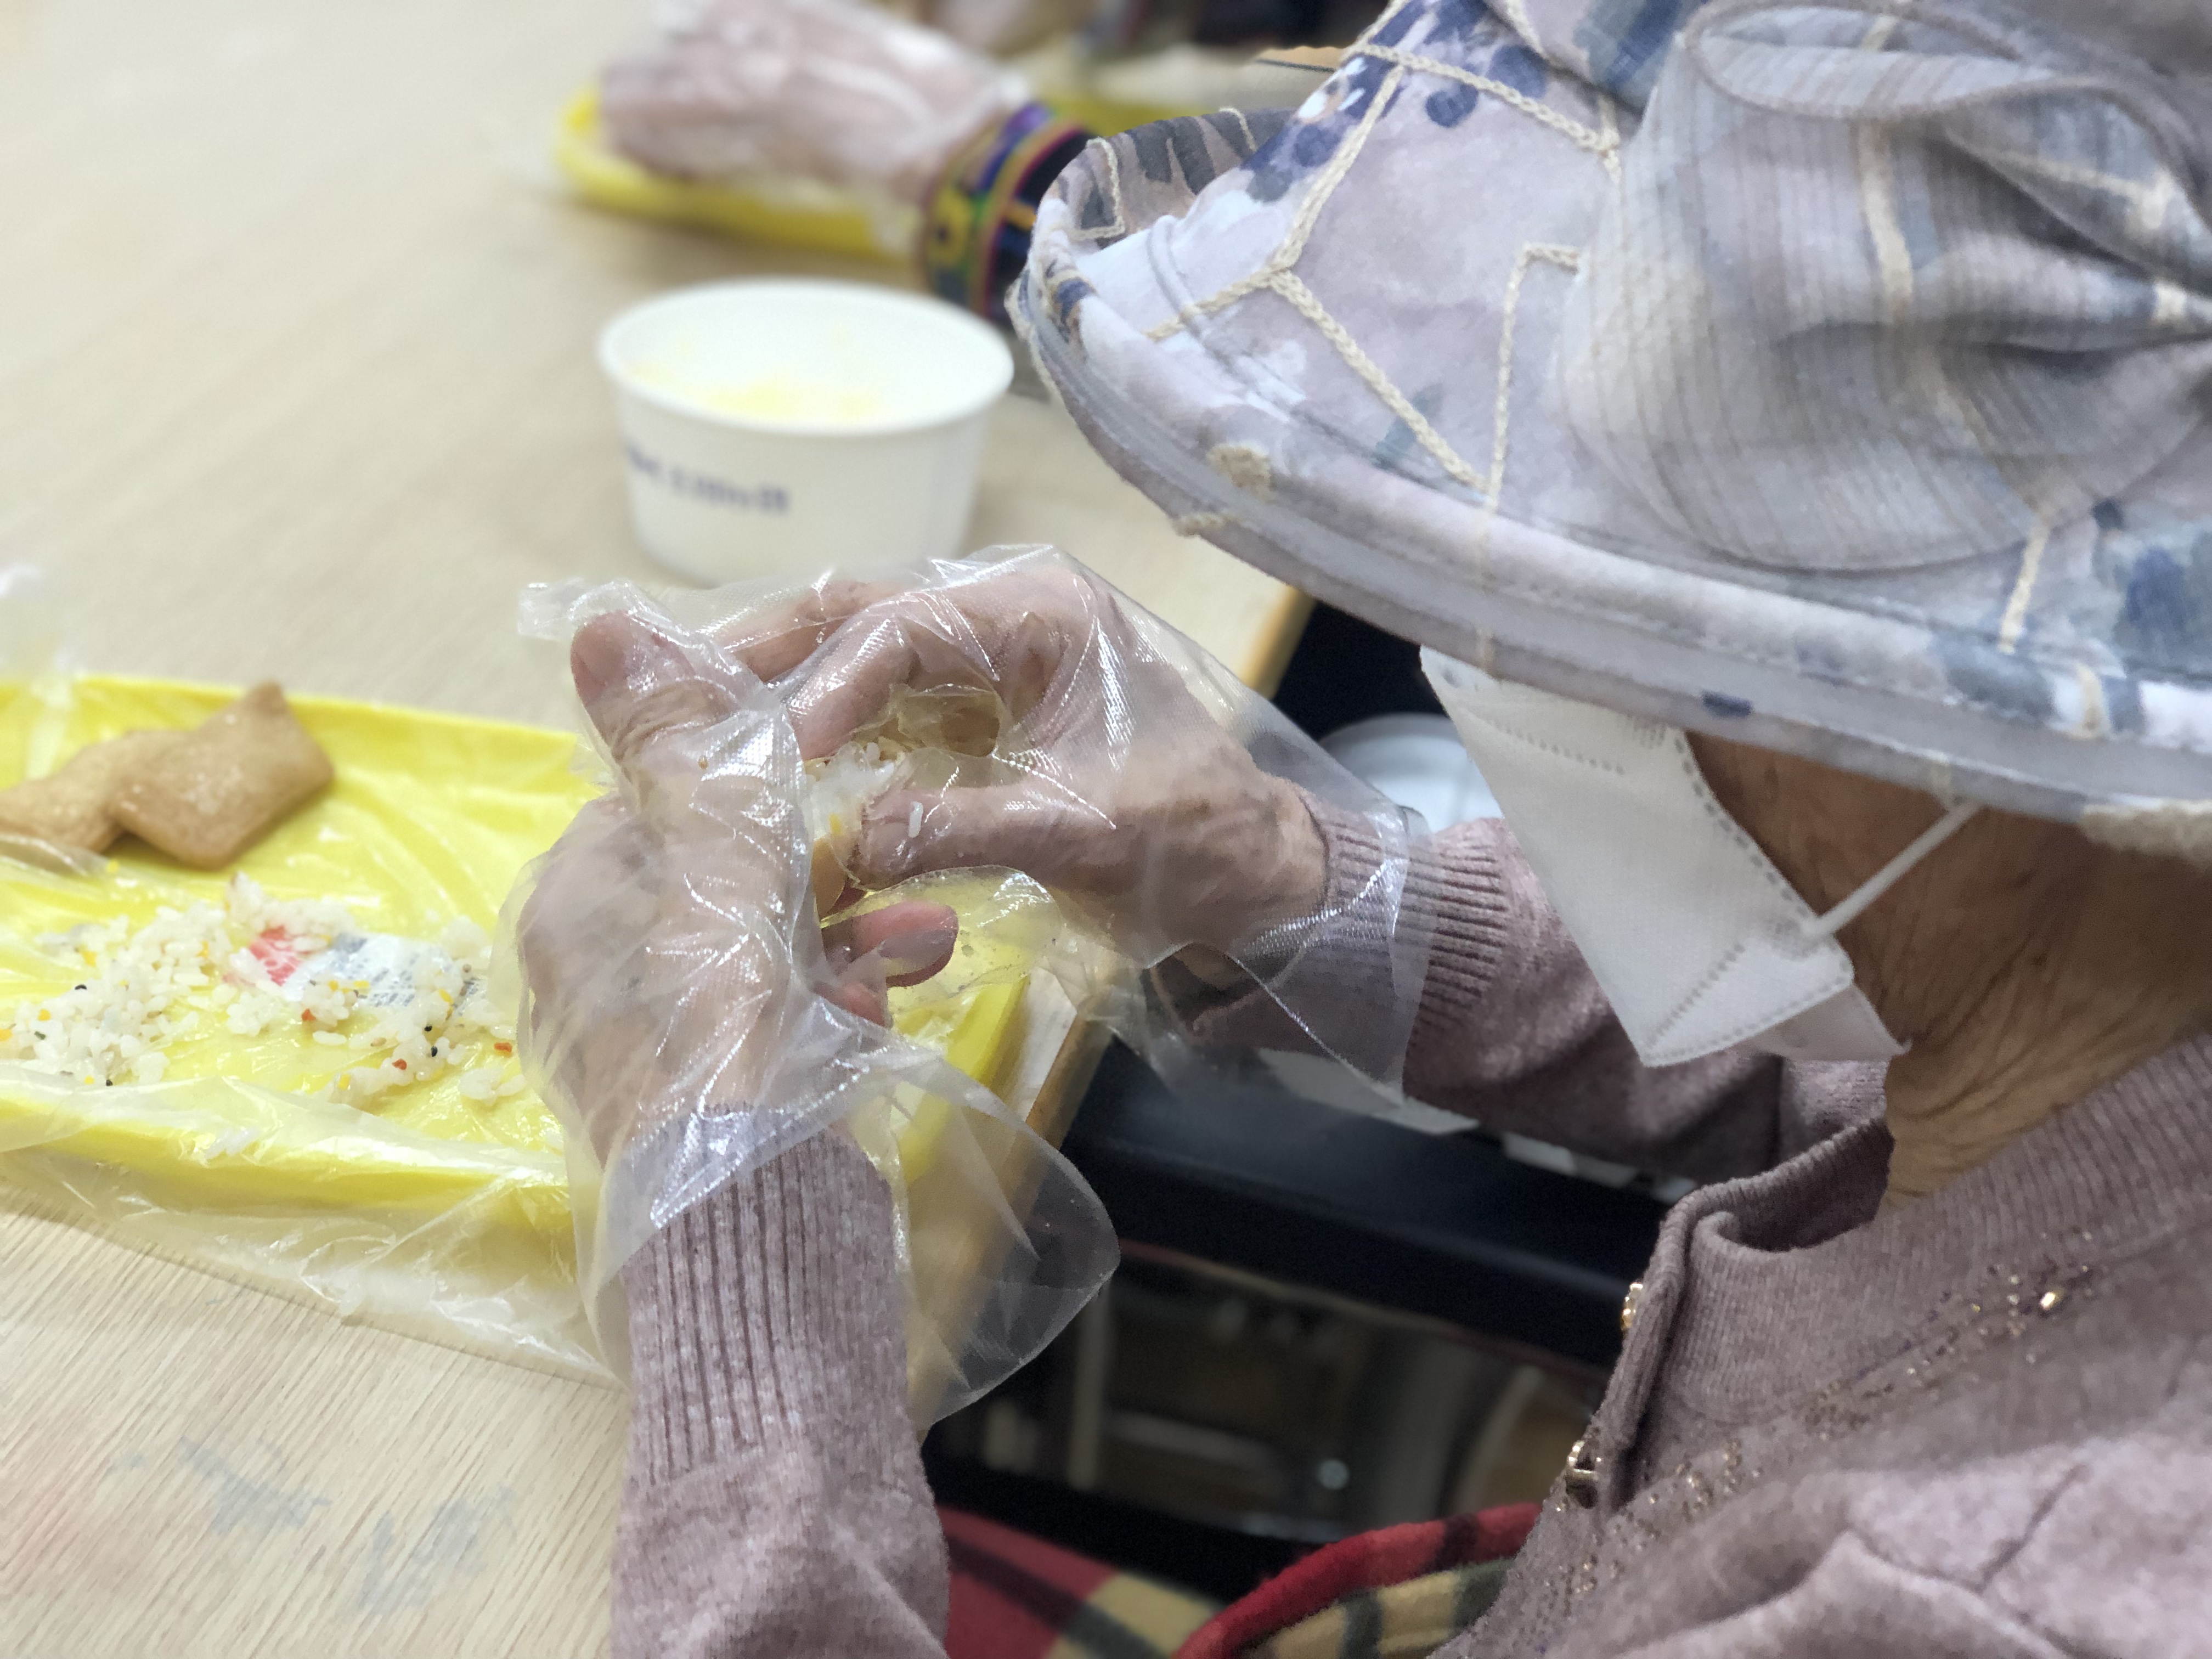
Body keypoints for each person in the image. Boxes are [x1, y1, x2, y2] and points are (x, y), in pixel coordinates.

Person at [518, 0, 2212, 1652]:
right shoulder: (2112, 997)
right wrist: (1290, 874)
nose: (1530, 664)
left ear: (2072, 725)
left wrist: (728, 1218)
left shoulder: (2006, 1599)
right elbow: (1870, 1076)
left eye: (1679, 621)